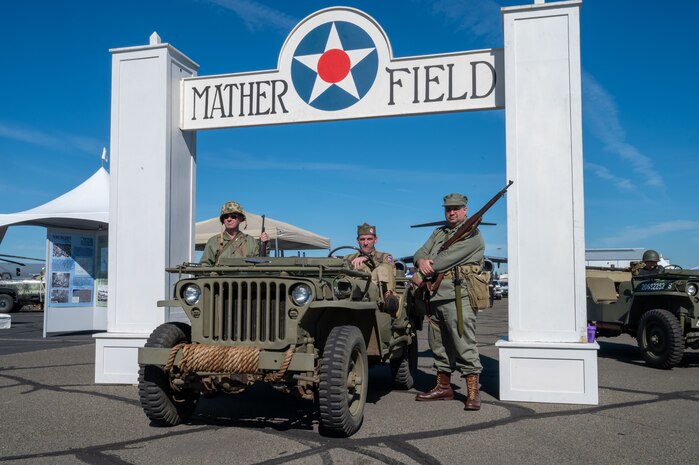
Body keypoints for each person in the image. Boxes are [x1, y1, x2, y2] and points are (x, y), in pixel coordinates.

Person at [412, 193, 486, 411]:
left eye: (456, 208)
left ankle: (473, 392)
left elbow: (446, 260)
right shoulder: (439, 232)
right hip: (435, 295)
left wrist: (424, 270)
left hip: (458, 295)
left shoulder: (472, 236)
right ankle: (443, 387)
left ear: (465, 210)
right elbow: (420, 252)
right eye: (448, 209)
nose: (451, 212)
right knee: (438, 343)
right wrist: (421, 260)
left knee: (463, 341)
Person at [345, 223, 399, 314]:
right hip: (351, 294)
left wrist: (367, 260)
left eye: (369, 239)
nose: (365, 243)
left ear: (375, 240)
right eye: (362, 239)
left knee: (384, 268)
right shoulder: (348, 258)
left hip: (376, 295)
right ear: (357, 240)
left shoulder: (384, 257)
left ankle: (388, 298)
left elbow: (388, 269)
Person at [200, 201, 269, 265]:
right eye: (225, 217)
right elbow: (205, 265)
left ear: (241, 219)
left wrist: (264, 245)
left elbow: (261, 263)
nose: (229, 219)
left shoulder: (250, 241)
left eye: (233, 216)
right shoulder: (213, 241)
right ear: (223, 220)